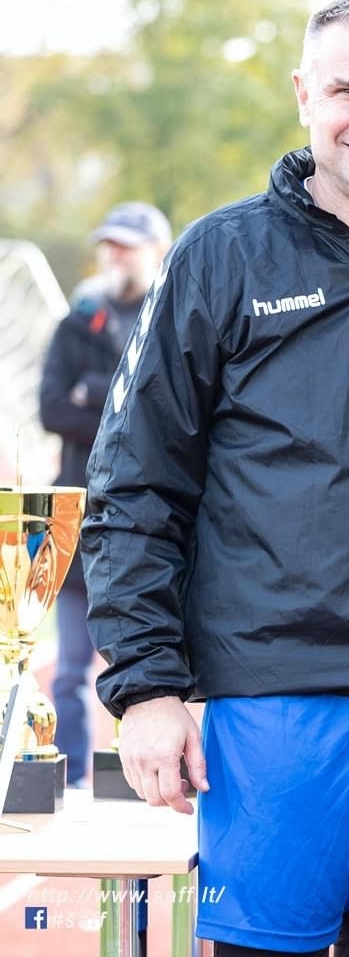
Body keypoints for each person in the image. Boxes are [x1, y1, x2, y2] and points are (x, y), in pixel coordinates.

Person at [80, 0, 349, 957]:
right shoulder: (220, 256)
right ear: (305, 96)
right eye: (347, 89)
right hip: (278, 711)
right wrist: (146, 687)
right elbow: (135, 483)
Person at [37, 201, 171, 787]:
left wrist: (93, 391)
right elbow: (52, 410)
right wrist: (115, 402)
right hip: (76, 518)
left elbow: (168, 414)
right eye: (108, 244)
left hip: (148, 522)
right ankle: (69, 774)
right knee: (69, 667)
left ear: (156, 251)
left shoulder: (172, 314)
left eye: (127, 245)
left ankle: (141, 777)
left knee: (148, 665)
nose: (114, 255)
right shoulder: (76, 322)